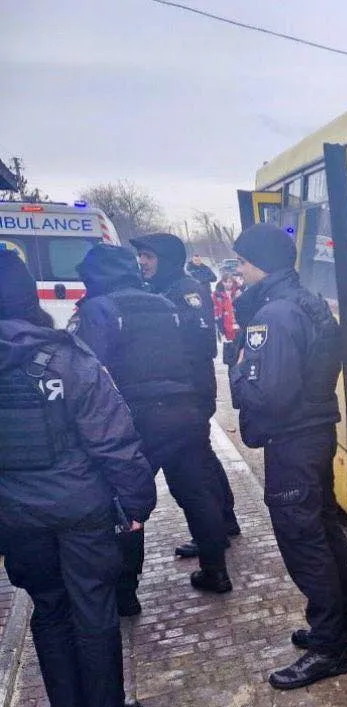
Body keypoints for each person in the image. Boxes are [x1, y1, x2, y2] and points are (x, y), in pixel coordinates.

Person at [0, 250, 155, 707]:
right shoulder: (68, 358)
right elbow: (114, 439)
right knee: (93, 605)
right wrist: (136, 505)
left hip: (16, 515)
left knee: (48, 608)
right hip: (80, 507)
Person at [72, 243, 233, 611]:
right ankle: (216, 571)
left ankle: (126, 594)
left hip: (135, 420)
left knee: (126, 503)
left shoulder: (99, 309)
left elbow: (85, 372)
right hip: (184, 411)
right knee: (197, 493)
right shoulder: (163, 303)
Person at [229, 223, 347, 690]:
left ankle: (328, 649)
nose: (239, 272)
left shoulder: (275, 314)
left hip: (292, 440)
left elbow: (270, 393)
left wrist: (238, 373)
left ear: (260, 263)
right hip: (314, 433)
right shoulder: (307, 303)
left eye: (242, 262)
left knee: (305, 543)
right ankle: (337, 631)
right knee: (323, 533)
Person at [131, 233, 240, 558]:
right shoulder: (164, 289)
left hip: (190, 392)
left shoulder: (185, 291)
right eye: (142, 257)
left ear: (164, 258)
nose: (143, 262)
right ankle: (223, 522)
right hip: (184, 393)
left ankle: (215, 531)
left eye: (149, 257)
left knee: (195, 469)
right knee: (203, 458)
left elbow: (202, 345)